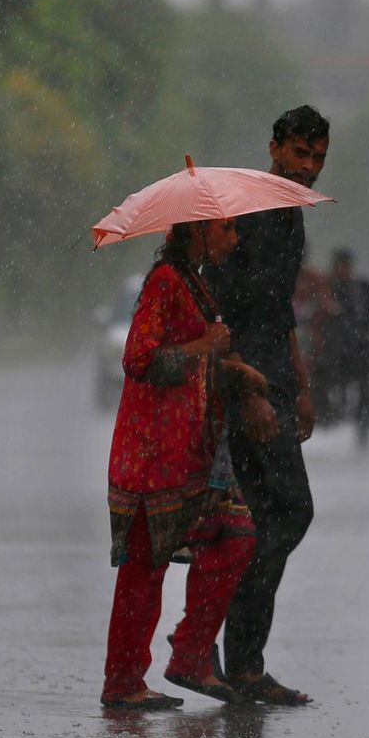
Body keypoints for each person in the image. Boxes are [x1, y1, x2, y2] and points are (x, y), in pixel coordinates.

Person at [101, 218, 271, 710]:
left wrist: (237, 372)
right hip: (152, 455)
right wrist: (206, 347)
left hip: (191, 452)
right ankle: (123, 683)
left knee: (236, 536)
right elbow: (139, 359)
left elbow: (198, 361)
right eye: (224, 230)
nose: (233, 240)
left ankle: (191, 654)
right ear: (195, 231)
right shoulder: (165, 282)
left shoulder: (195, 283)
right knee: (143, 570)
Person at [205, 105, 331, 707]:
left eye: (318, 158)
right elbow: (218, 312)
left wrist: (301, 382)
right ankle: (227, 650)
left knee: (256, 523)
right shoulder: (243, 215)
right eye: (299, 155)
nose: (308, 168)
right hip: (242, 385)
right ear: (274, 147)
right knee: (289, 511)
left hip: (277, 381)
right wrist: (246, 388)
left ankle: (239, 660)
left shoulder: (292, 218)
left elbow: (280, 310)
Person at [324, 248, 369, 447]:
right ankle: (335, 416)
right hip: (335, 351)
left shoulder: (362, 288)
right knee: (336, 386)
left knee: (363, 390)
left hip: (359, 349)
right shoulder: (327, 287)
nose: (342, 270)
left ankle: (363, 429)